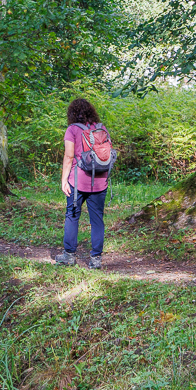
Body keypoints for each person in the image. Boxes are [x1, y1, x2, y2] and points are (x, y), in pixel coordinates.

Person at [55, 98, 112, 268]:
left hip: (77, 182)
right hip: (100, 181)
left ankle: (69, 256)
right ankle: (96, 259)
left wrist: (64, 179)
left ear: (72, 113)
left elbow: (69, 156)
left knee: (72, 217)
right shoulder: (101, 129)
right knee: (97, 220)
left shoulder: (72, 130)